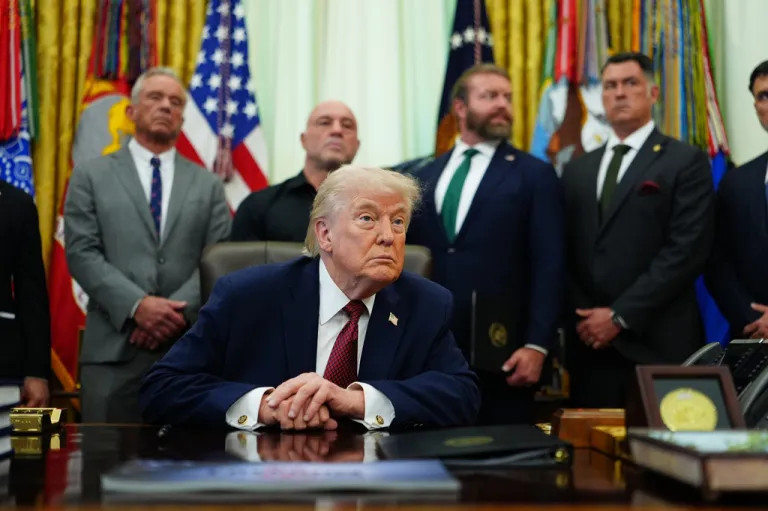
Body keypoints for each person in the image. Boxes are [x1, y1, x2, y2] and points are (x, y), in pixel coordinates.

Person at [139, 165, 480, 430]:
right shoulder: (247, 296)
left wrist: (355, 401)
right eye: (367, 219)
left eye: (398, 222)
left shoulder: (425, 303)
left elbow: (462, 395)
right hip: (266, 484)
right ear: (325, 234)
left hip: (377, 486)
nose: (388, 236)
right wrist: (266, 406)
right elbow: (162, 388)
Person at [64, 67, 232, 423]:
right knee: (104, 466)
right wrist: (137, 306)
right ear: (131, 111)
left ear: (183, 117)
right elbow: (81, 252)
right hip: (112, 349)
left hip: (185, 351)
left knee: (184, 466)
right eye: (155, 98)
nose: (166, 107)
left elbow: (216, 258)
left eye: (175, 102)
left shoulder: (209, 185)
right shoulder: (90, 176)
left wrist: (172, 316)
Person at [407, 63, 565, 425]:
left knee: (502, 470)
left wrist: (538, 344)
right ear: (460, 108)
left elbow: (550, 264)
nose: (502, 105)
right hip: (430, 353)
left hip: (503, 353)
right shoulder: (423, 176)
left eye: (507, 97)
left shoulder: (534, 174)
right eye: (489, 96)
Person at [562, 52, 715, 408]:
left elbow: (686, 250)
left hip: (659, 341)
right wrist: (587, 318)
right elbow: (566, 250)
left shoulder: (684, 160)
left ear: (654, 93)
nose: (619, 93)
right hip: (591, 347)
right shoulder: (578, 170)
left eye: (631, 83)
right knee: (593, 457)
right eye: (610, 86)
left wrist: (619, 316)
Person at [231, 100, 360, 242]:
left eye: (347, 125)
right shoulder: (258, 207)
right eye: (324, 122)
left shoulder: (378, 208)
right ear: (304, 140)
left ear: (357, 145)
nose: (337, 130)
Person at [706, 60, 768, 340]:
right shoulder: (735, 183)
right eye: (763, 96)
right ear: (756, 107)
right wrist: (751, 318)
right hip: (754, 340)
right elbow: (718, 262)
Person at [0, 180, 50, 406]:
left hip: (5, 367)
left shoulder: (17, 203)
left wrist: (37, 371)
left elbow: (32, 294)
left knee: (21, 440)